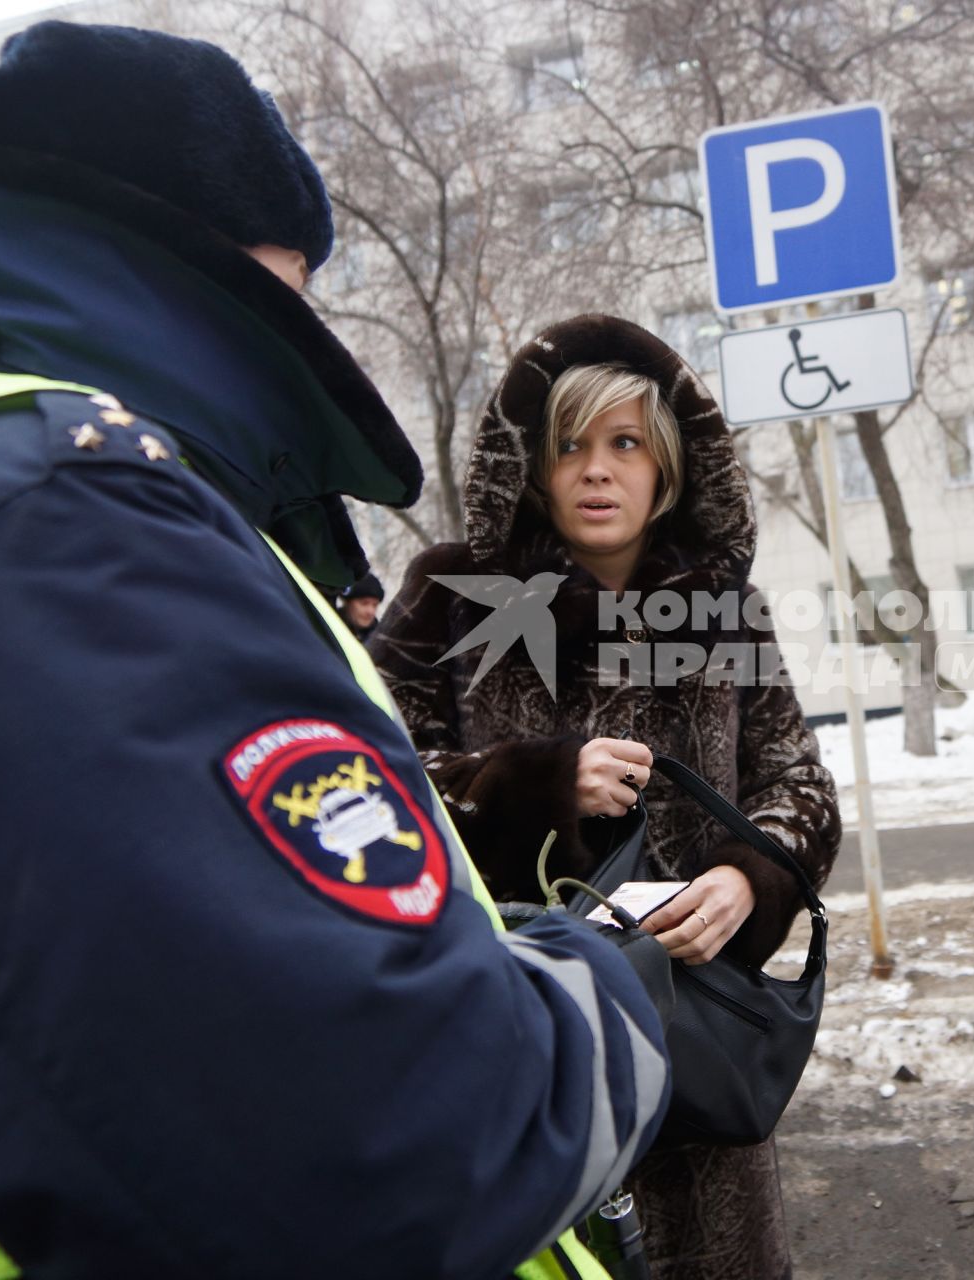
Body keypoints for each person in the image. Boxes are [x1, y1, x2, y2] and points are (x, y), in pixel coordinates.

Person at [0, 23, 668, 1279]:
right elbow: (388, 1138)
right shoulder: (54, 523)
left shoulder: (5, 490)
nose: (308, 324)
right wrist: (611, 994)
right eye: (295, 279)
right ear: (209, 253)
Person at [371, 315, 842, 1279]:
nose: (597, 469)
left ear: (666, 469)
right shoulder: (449, 596)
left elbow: (798, 782)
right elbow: (375, 788)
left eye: (625, 443)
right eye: (571, 446)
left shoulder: (719, 611)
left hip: (695, 1046)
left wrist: (749, 881)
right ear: (535, 469)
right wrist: (538, 783)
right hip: (517, 1046)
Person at [338, 571, 385, 640]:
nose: (370, 611)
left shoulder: (381, 640)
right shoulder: (327, 624)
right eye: (364, 603)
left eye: (375, 605)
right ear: (347, 602)